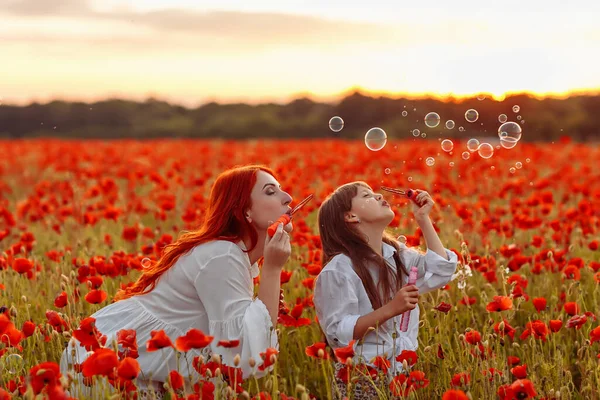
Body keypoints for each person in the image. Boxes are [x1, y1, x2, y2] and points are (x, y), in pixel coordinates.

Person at [60, 165, 294, 398]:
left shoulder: (232, 255)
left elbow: (239, 349)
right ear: (245, 212)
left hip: (131, 367)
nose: (288, 198)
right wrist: (272, 270)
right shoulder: (223, 255)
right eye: (271, 191)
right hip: (109, 368)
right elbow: (241, 357)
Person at [314, 182, 458, 399]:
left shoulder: (397, 256)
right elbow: (339, 334)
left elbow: (441, 270)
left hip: (401, 373)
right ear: (350, 216)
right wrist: (391, 309)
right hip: (362, 377)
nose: (379, 196)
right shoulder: (339, 270)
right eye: (367, 195)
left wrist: (423, 219)